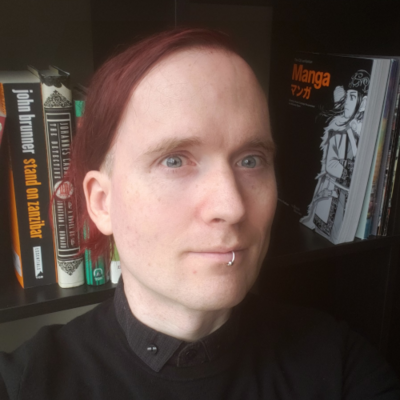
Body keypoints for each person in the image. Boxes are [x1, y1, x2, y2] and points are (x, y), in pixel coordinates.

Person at [0, 29, 399, 399]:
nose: (232, 206)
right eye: (174, 160)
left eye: (250, 160)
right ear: (102, 202)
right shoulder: (25, 383)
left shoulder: (337, 363)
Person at [300, 70, 370, 242]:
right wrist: (349, 172)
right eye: (347, 97)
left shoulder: (364, 132)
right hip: (333, 195)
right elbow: (330, 164)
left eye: (352, 97)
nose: (347, 103)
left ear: (363, 103)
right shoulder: (337, 129)